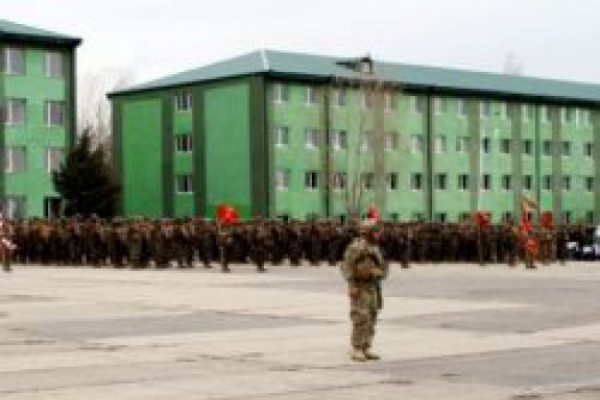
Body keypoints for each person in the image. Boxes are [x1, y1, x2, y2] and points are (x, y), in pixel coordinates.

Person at [341, 218, 388, 362]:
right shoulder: (356, 247)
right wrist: (352, 285)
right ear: (368, 233)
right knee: (361, 317)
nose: (379, 234)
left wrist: (379, 273)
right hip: (360, 287)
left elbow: (384, 267)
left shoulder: (375, 248)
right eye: (376, 232)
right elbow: (346, 267)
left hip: (373, 286)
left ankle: (367, 346)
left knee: (372, 317)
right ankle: (357, 348)